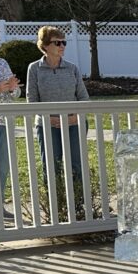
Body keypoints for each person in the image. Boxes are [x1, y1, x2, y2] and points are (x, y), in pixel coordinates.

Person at [26, 25, 89, 194]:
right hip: (47, 126)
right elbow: (32, 101)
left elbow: (84, 98)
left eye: (63, 42)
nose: (62, 46)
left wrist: (72, 119)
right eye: (57, 43)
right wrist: (50, 119)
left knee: (76, 164)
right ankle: (55, 204)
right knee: (51, 165)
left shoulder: (72, 68)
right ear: (45, 45)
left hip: (74, 123)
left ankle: (79, 201)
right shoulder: (34, 69)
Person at [0, 27, 21, 226]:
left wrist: (13, 88)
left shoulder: (2, 63)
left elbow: (14, 94)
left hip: (4, 121)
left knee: (2, 167)